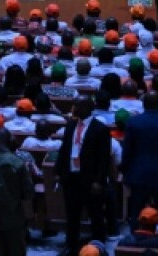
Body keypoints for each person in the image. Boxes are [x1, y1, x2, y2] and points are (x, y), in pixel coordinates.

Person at [56, 97, 112, 256]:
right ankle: (71, 246)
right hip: (71, 176)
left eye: (78, 105)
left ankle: (99, 247)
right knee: (72, 214)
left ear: (88, 107)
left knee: (95, 215)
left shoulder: (100, 129)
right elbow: (64, 149)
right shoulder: (71, 125)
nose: (74, 108)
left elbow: (104, 158)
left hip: (90, 178)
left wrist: (99, 181)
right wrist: (58, 171)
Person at [121, 92, 158, 225]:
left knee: (136, 211)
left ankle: (135, 240)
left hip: (137, 172)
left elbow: (127, 151)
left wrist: (125, 171)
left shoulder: (133, 122)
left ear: (143, 104)